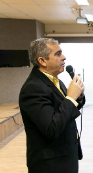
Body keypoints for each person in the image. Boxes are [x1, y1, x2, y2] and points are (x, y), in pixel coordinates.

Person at [19, 38, 85, 173]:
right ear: (42, 61)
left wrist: (78, 97)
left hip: (65, 156)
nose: (64, 57)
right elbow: (52, 128)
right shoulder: (33, 88)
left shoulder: (56, 81)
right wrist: (71, 98)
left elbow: (64, 110)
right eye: (58, 54)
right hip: (51, 164)